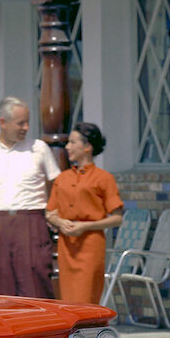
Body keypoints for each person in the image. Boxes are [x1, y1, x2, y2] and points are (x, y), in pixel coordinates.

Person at [0, 96, 60, 298]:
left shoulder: (39, 148)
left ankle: (39, 319)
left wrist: (53, 212)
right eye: (21, 123)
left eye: (28, 122)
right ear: (3, 122)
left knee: (35, 279)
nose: (26, 127)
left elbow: (56, 183)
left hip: (31, 220)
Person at [46, 122, 123, 304]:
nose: (67, 147)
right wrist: (60, 222)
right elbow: (50, 213)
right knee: (67, 300)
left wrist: (86, 226)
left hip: (90, 245)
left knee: (86, 298)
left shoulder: (104, 178)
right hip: (66, 246)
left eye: (73, 142)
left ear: (87, 147)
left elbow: (117, 218)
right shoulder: (62, 178)